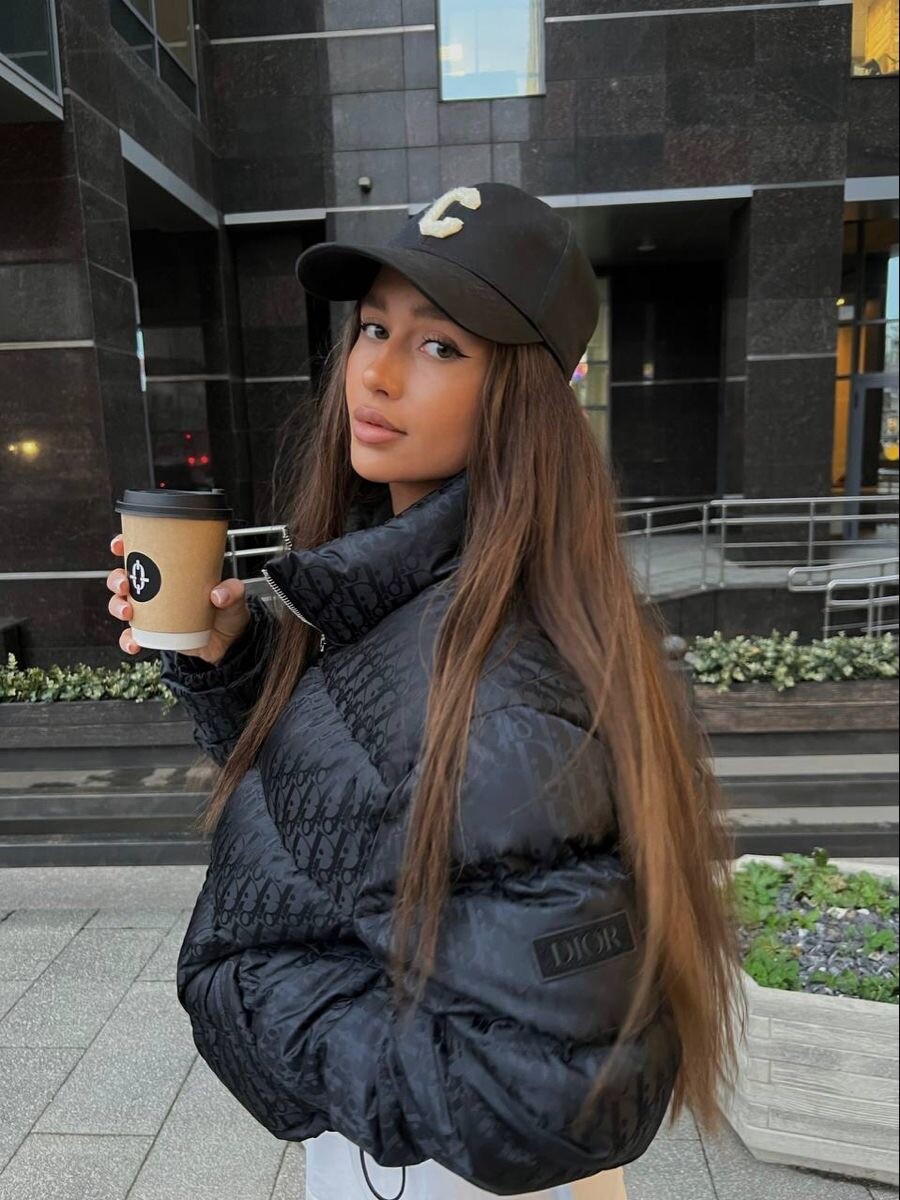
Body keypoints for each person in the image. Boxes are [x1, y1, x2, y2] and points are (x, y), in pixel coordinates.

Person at [106, 183, 745, 1200]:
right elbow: (368, 817)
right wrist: (234, 667)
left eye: (441, 345)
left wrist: (254, 988)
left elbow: (553, 1096)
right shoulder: (417, 590)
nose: (378, 371)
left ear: (523, 398)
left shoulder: (500, 679)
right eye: (373, 328)